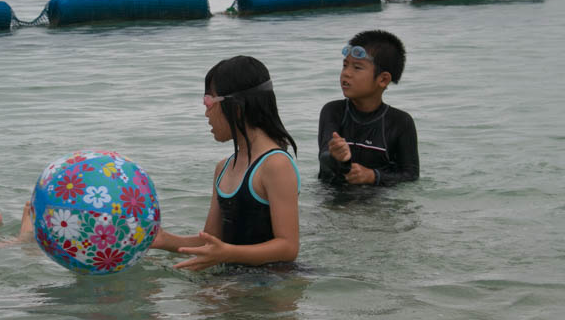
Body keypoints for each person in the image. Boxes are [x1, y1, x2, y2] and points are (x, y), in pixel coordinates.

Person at [152, 56, 300, 272]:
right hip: (234, 276)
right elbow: (211, 243)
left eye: (209, 102)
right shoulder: (223, 168)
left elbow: (288, 247)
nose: (206, 113)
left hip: (273, 281)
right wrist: (164, 240)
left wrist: (228, 253)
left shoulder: (276, 164)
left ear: (237, 107)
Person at [318, 30, 419, 186]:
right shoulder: (333, 111)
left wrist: (373, 176)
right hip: (334, 200)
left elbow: (410, 175)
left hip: (376, 202)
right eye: (345, 65)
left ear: (383, 79)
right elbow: (324, 157)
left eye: (357, 68)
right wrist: (336, 156)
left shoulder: (400, 122)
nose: (346, 73)